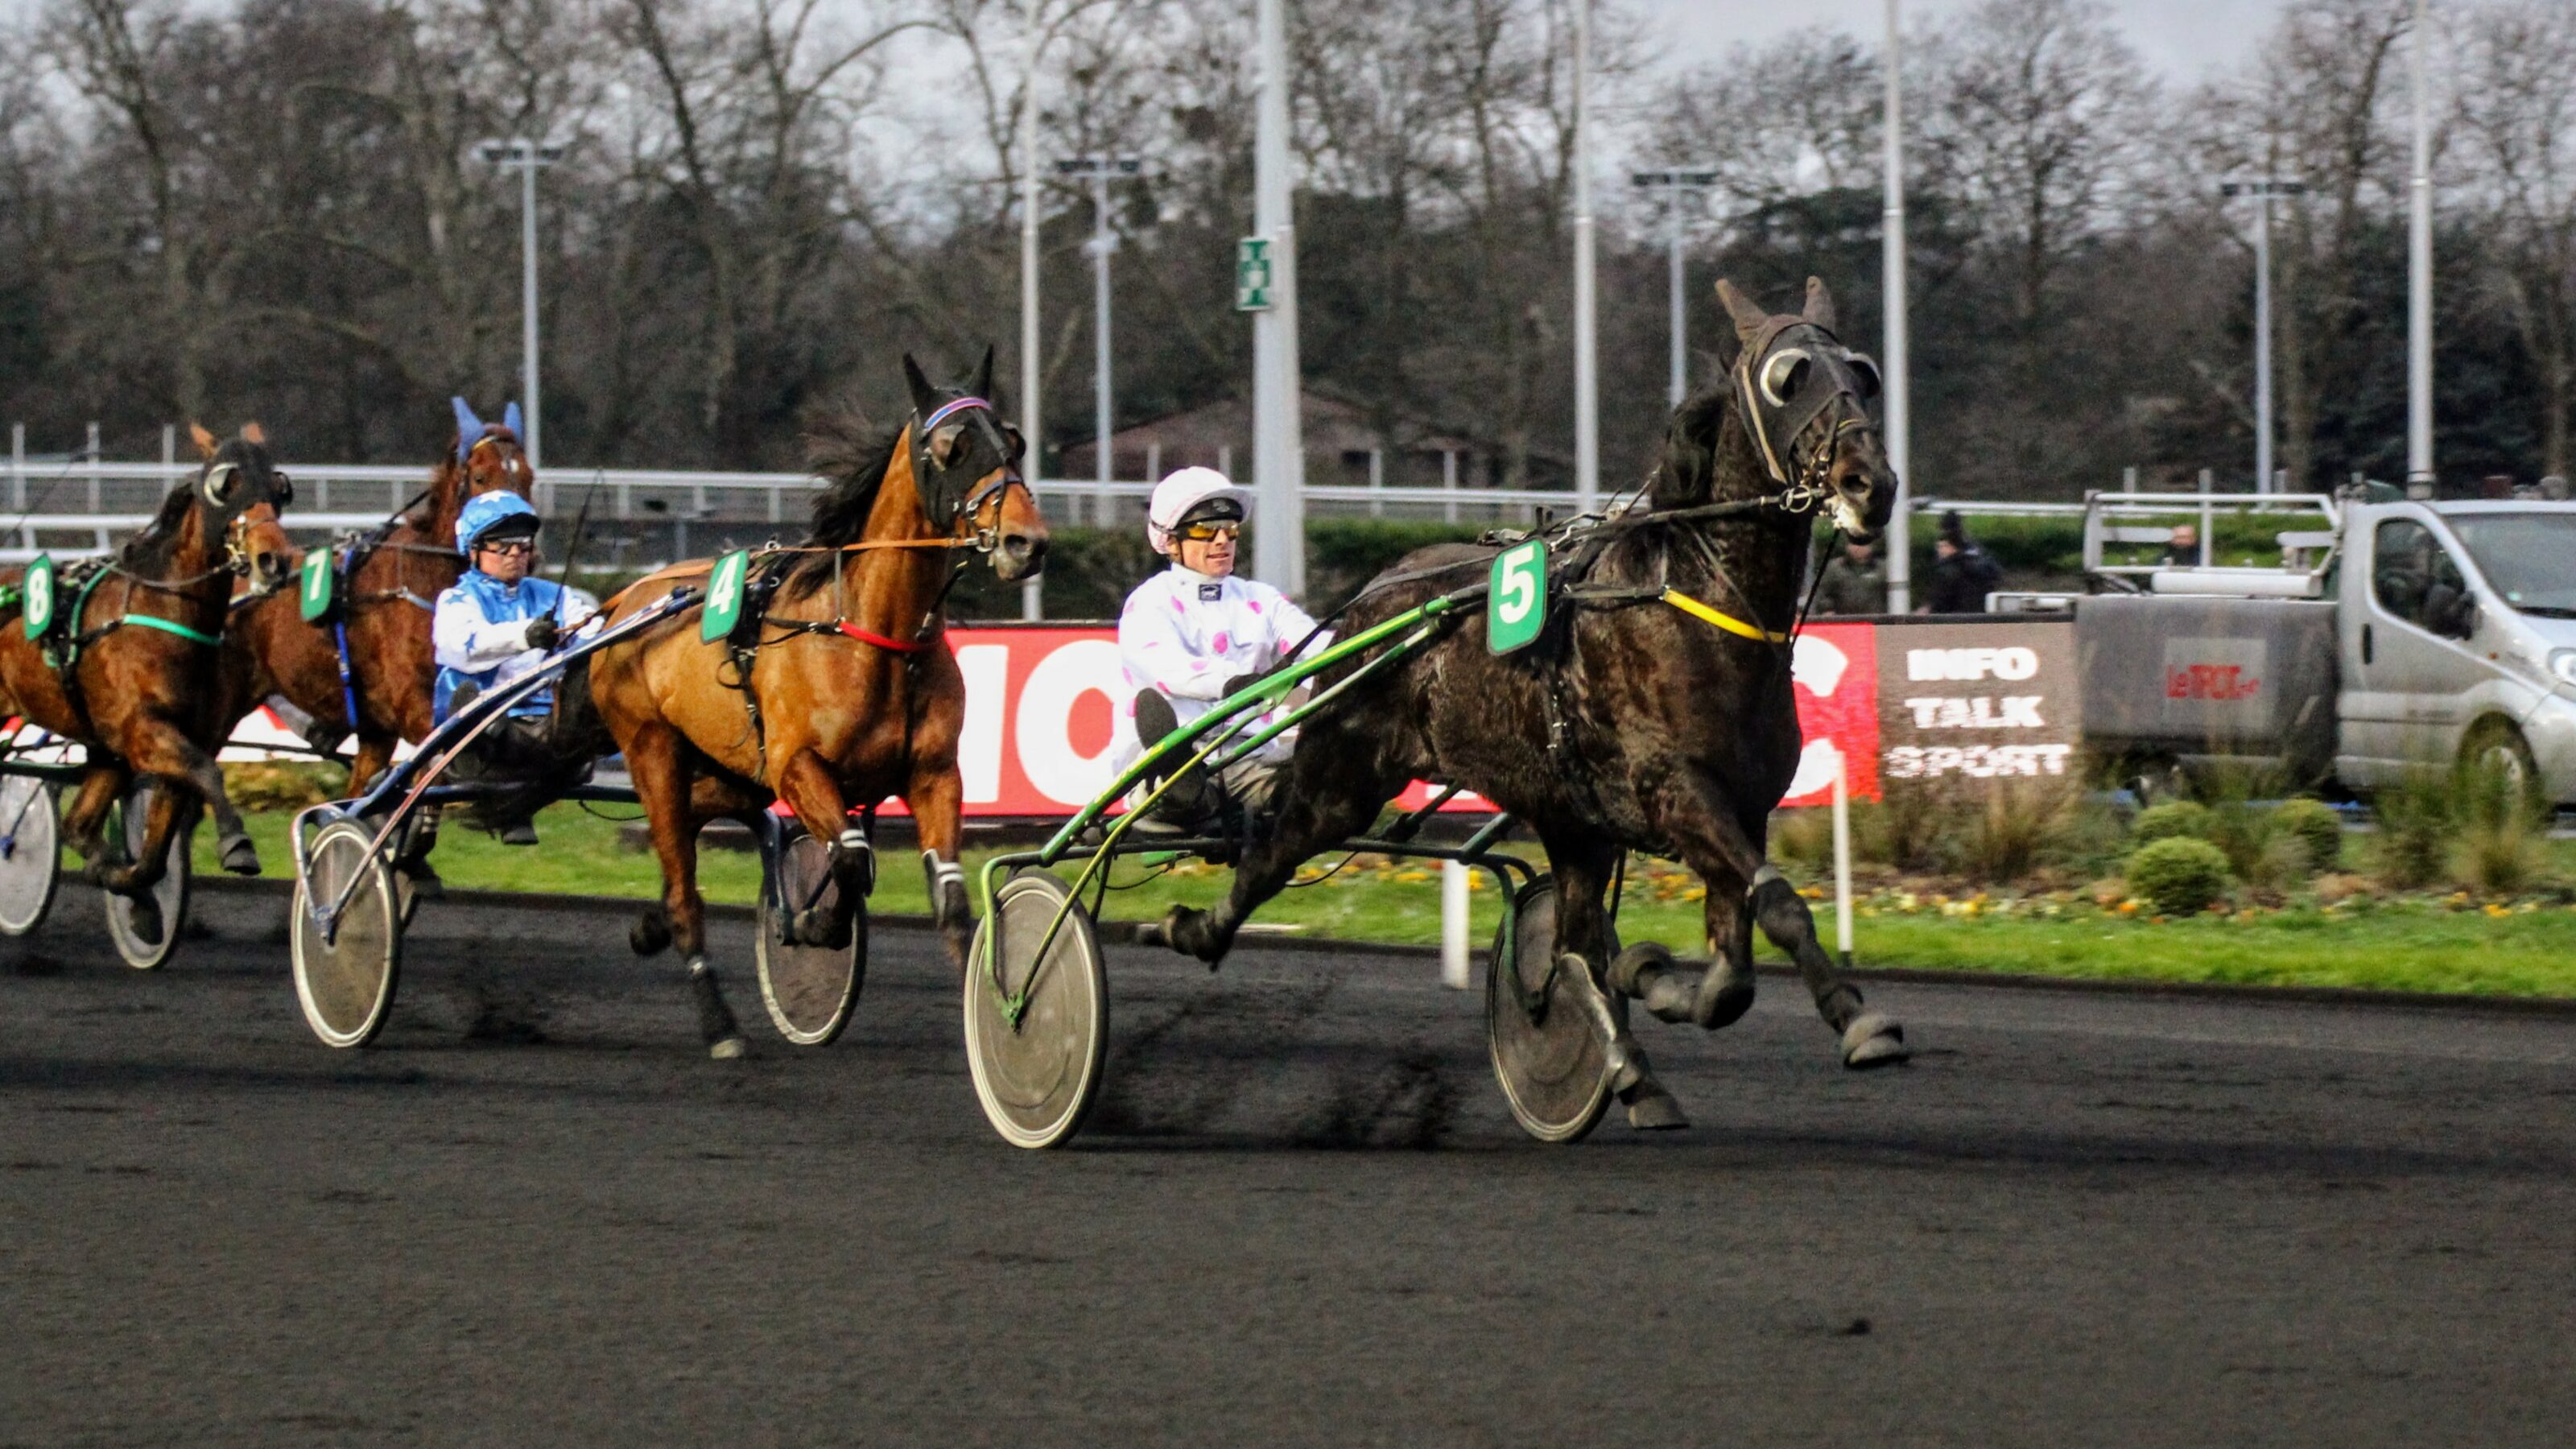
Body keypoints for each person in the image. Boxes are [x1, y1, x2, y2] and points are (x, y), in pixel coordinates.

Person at [1117, 467, 1327, 831]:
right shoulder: (1149, 602)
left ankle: (1224, 796)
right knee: (1188, 777)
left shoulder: (1261, 599)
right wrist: (1238, 684)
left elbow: (1316, 646)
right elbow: (1170, 670)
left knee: (1315, 764)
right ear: (1170, 541)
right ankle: (1178, 787)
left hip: (1252, 754)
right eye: (1204, 530)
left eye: (1230, 530)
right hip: (1172, 750)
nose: (1221, 541)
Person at [431, 492, 574, 844]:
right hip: (480, 728)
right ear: (474, 549)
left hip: (548, 722)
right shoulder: (455, 600)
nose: (515, 555)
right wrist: (526, 636)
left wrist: (575, 642)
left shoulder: (557, 595)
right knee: (480, 710)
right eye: (503, 546)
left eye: (522, 546)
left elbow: (588, 633)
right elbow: (464, 646)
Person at [1920, 510, 2003, 614]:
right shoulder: (1976, 551)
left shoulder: (1951, 565)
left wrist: (1929, 607)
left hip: (1957, 614)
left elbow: (1942, 593)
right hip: (1979, 611)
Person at [1811, 539, 1885, 616]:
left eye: (1863, 545)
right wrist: (1827, 609)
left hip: (1876, 621)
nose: (1859, 548)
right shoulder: (1835, 568)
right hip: (1844, 621)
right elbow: (1822, 592)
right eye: (1855, 544)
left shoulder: (1882, 569)